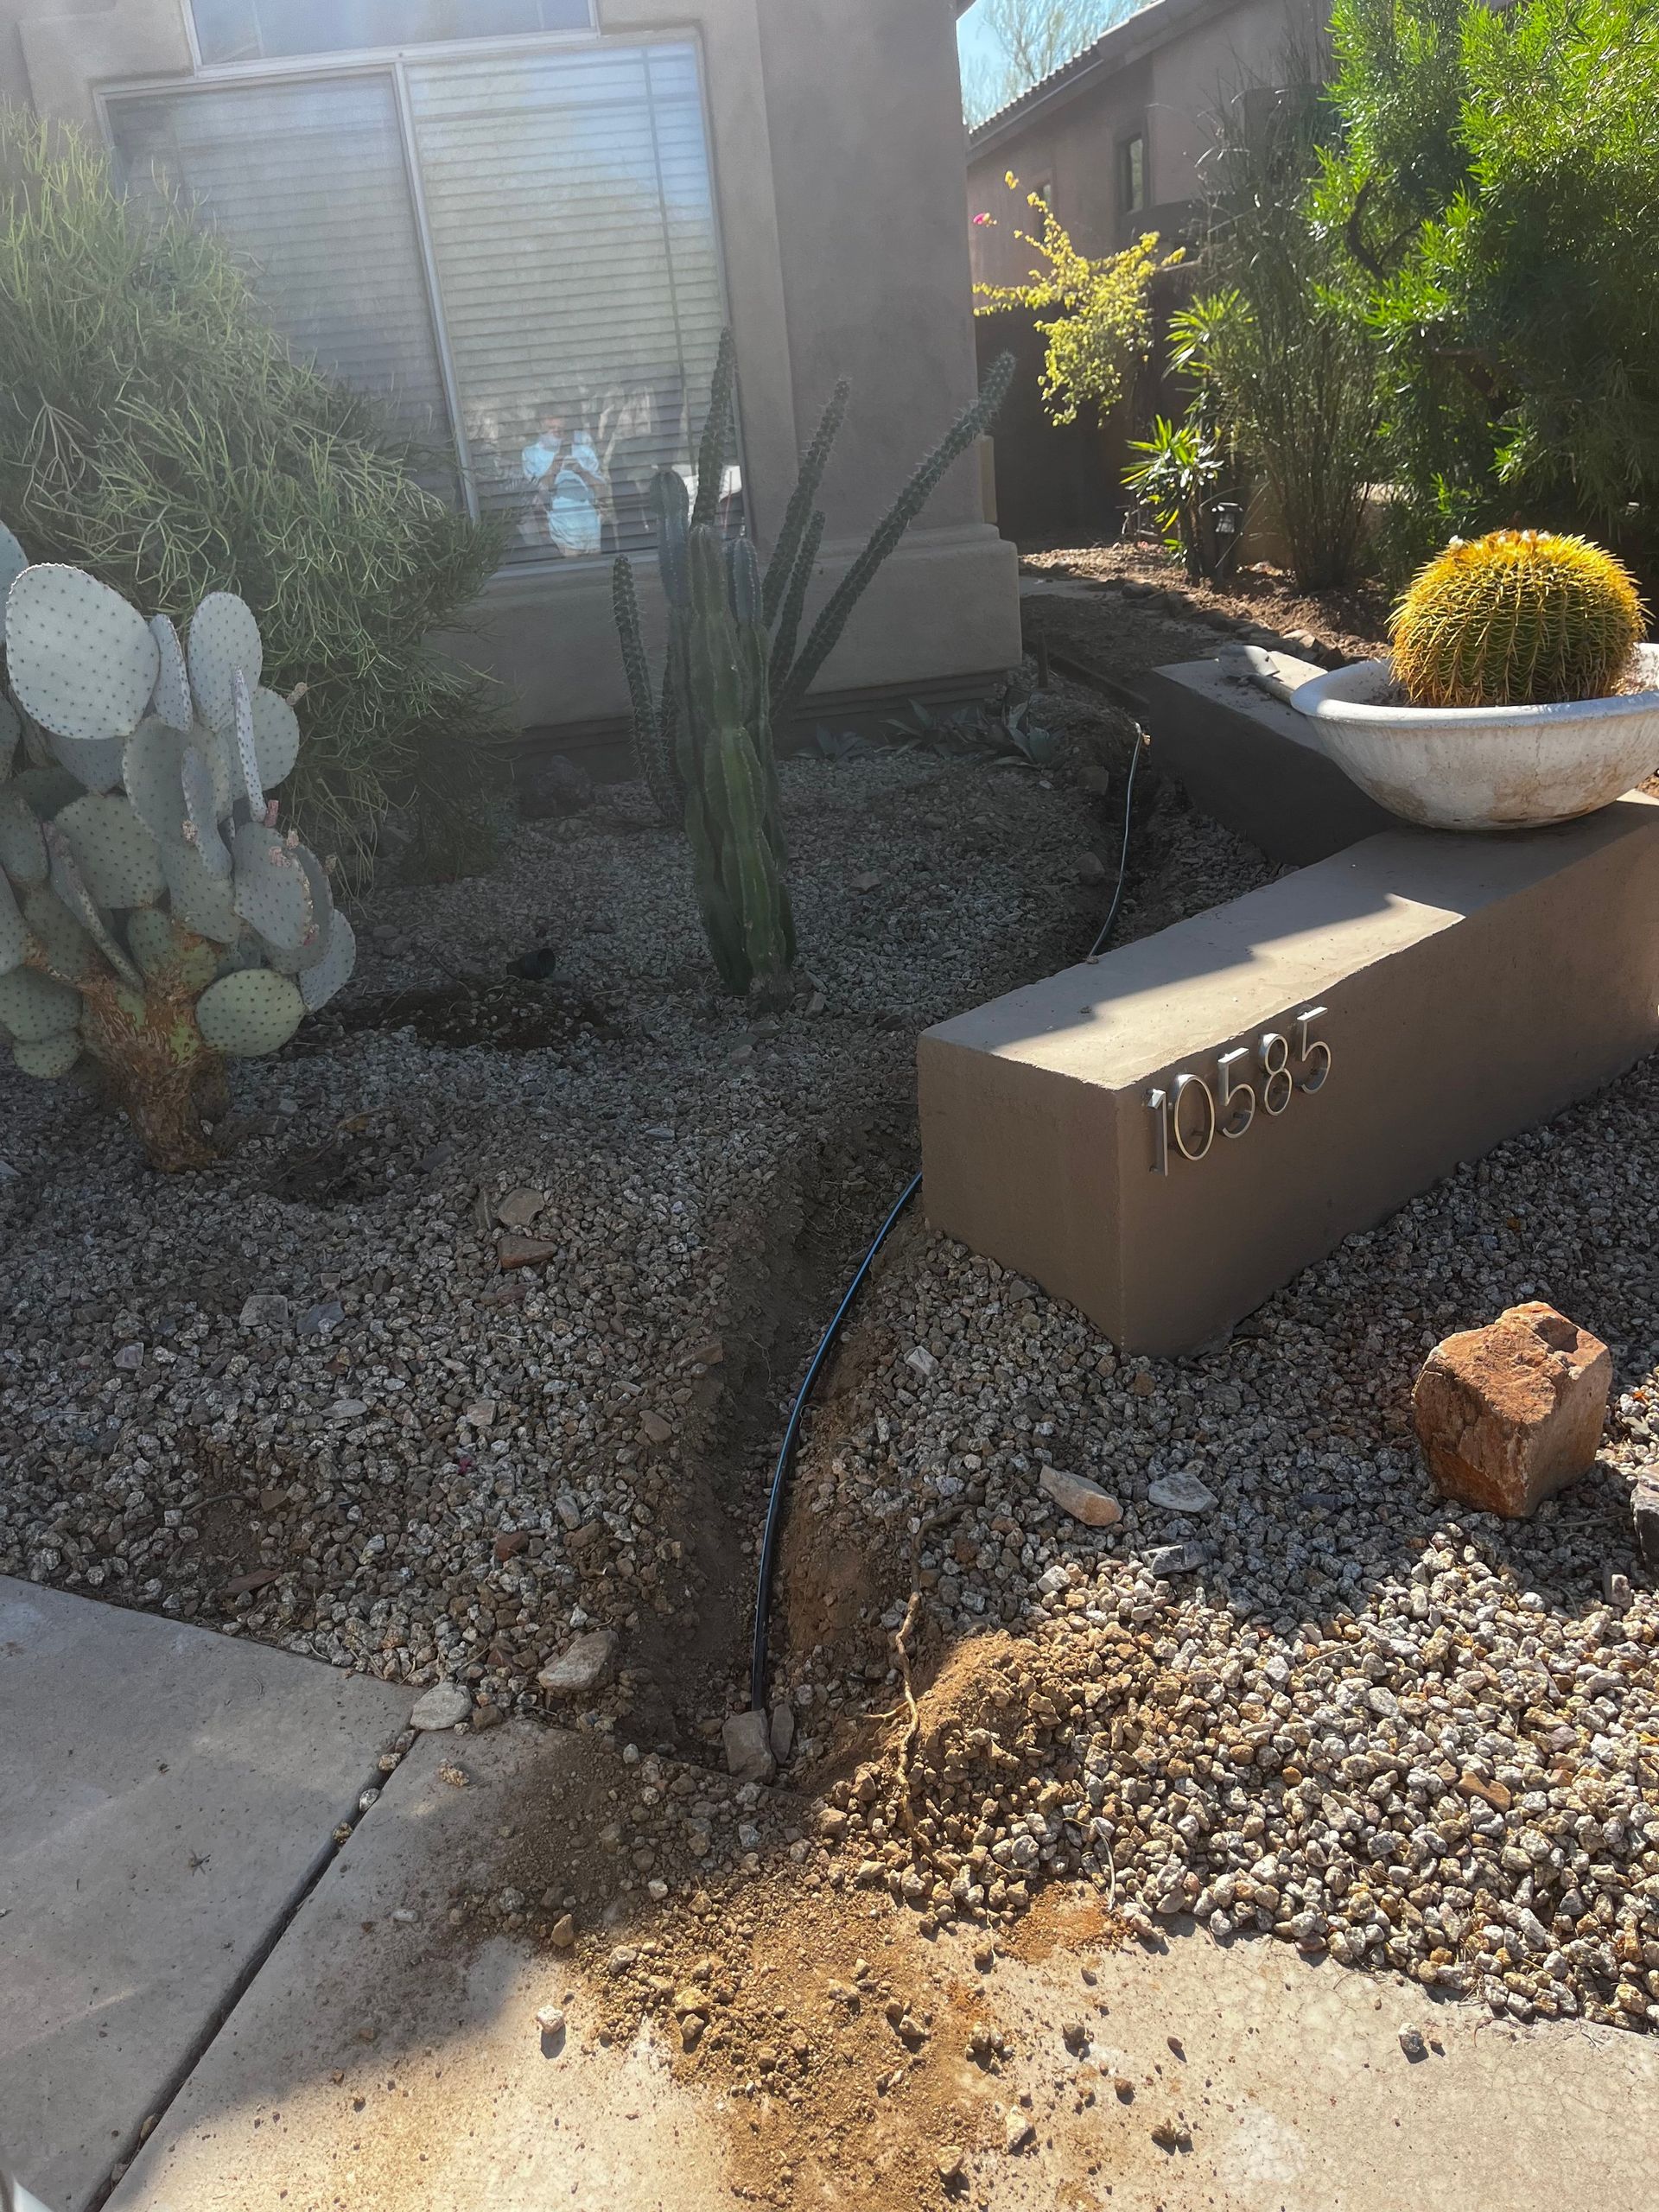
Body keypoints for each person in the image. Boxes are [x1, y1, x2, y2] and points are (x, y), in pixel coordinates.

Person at [521, 405, 603, 558]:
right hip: (560, 531)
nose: (557, 433)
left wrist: (582, 471)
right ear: (540, 428)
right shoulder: (531, 454)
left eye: (561, 429)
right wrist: (554, 468)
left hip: (590, 528)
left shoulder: (583, 450)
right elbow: (536, 497)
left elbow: (603, 491)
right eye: (552, 429)